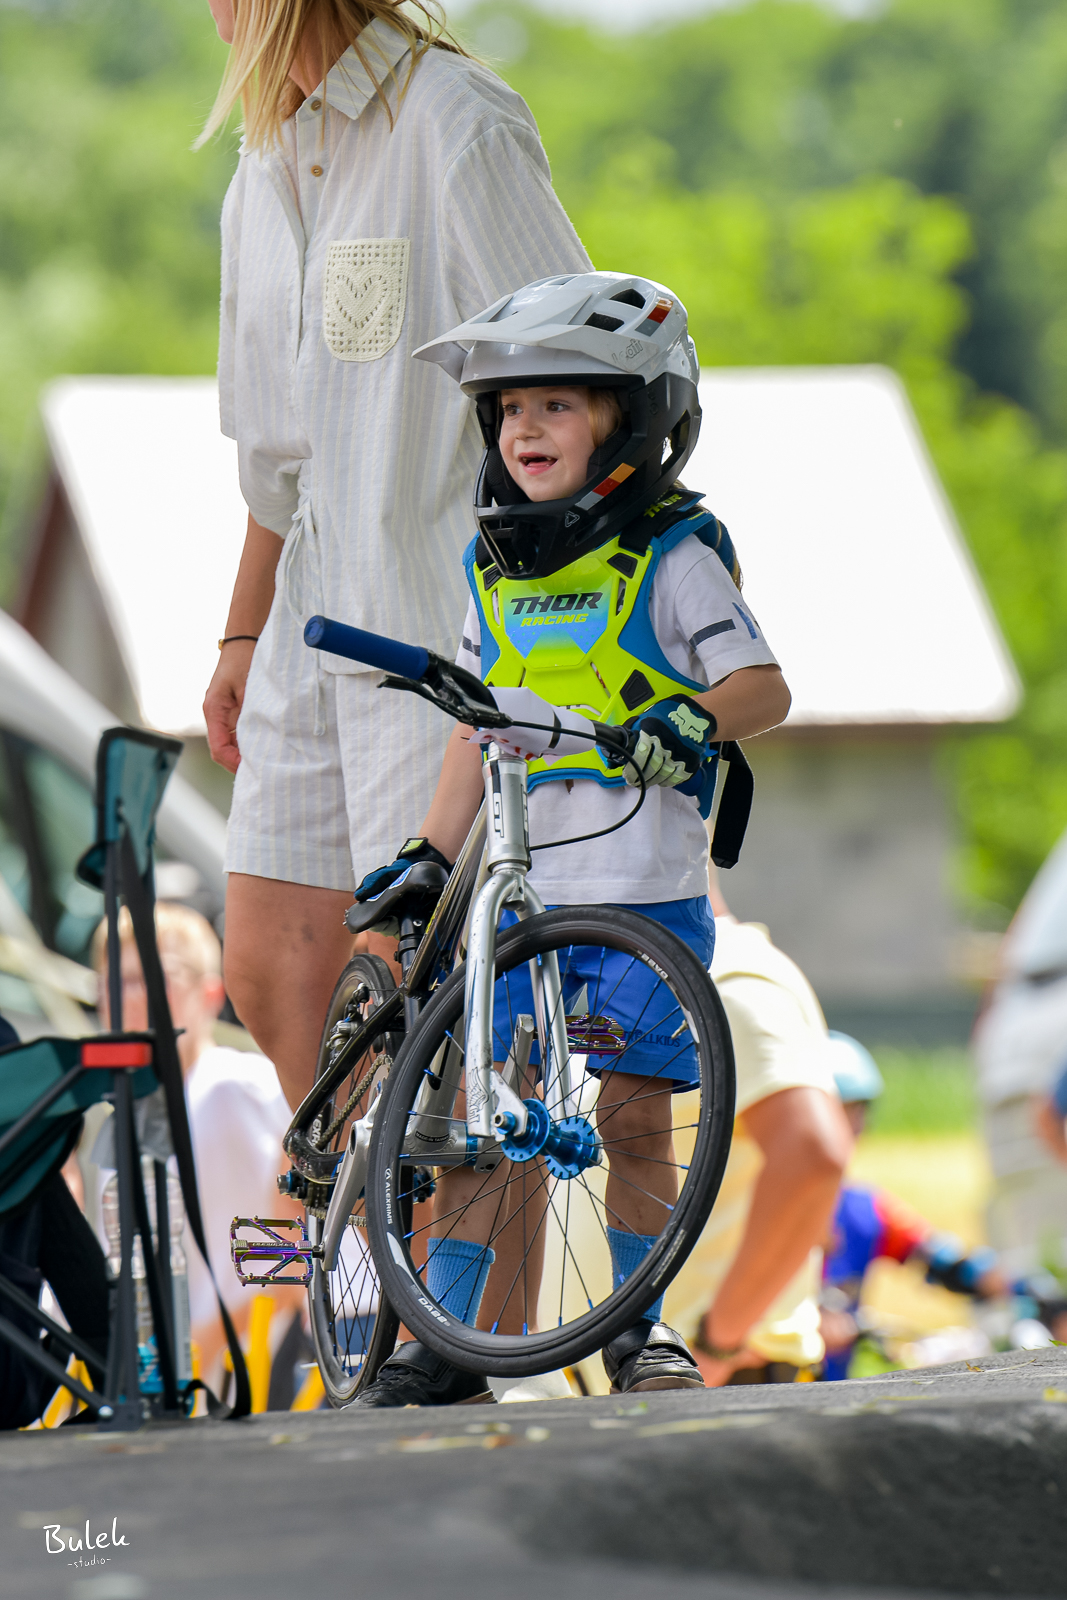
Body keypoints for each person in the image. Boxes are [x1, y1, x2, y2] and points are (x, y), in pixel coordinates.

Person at [348, 269, 793, 1407]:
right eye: (508, 407)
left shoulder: (675, 554)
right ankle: (448, 1340)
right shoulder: (491, 569)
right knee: (477, 1117)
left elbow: (760, 687)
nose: (523, 426)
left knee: (637, 1119)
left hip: (641, 892)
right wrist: (428, 856)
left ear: (630, 420)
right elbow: (473, 726)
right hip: (519, 892)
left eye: (556, 402)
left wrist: (685, 720)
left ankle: (639, 1332)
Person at [199, 0, 593, 1112]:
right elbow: (276, 459)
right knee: (273, 967)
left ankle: (447, 1225)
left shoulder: (455, 121)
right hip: (302, 623)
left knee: (448, 1013)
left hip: (441, 630)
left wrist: (569, 629)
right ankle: (366, 1215)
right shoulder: (262, 168)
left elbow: (580, 375)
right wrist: (239, 634)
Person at [648, 874, 852, 1389]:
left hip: (716, 1383)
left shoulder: (727, 972)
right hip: (664, 1384)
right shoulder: (639, 976)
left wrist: (717, 1342)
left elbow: (812, 1155)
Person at [91, 904, 301, 1382]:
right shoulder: (127, 1115)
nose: (129, 997)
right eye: (113, 981)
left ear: (210, 992)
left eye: (153, 978)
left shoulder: (231, 1088)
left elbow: (291, 1242)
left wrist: (202, 1346)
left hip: (255, 1368)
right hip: (176, 1371)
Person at [820, 1033, 1007, 1381]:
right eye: (839, 1110)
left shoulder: (865, 1210)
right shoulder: (749, 1208)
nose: (853, 1126)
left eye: (858, 1111)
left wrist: (1006, 1283)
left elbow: (939, 1257)